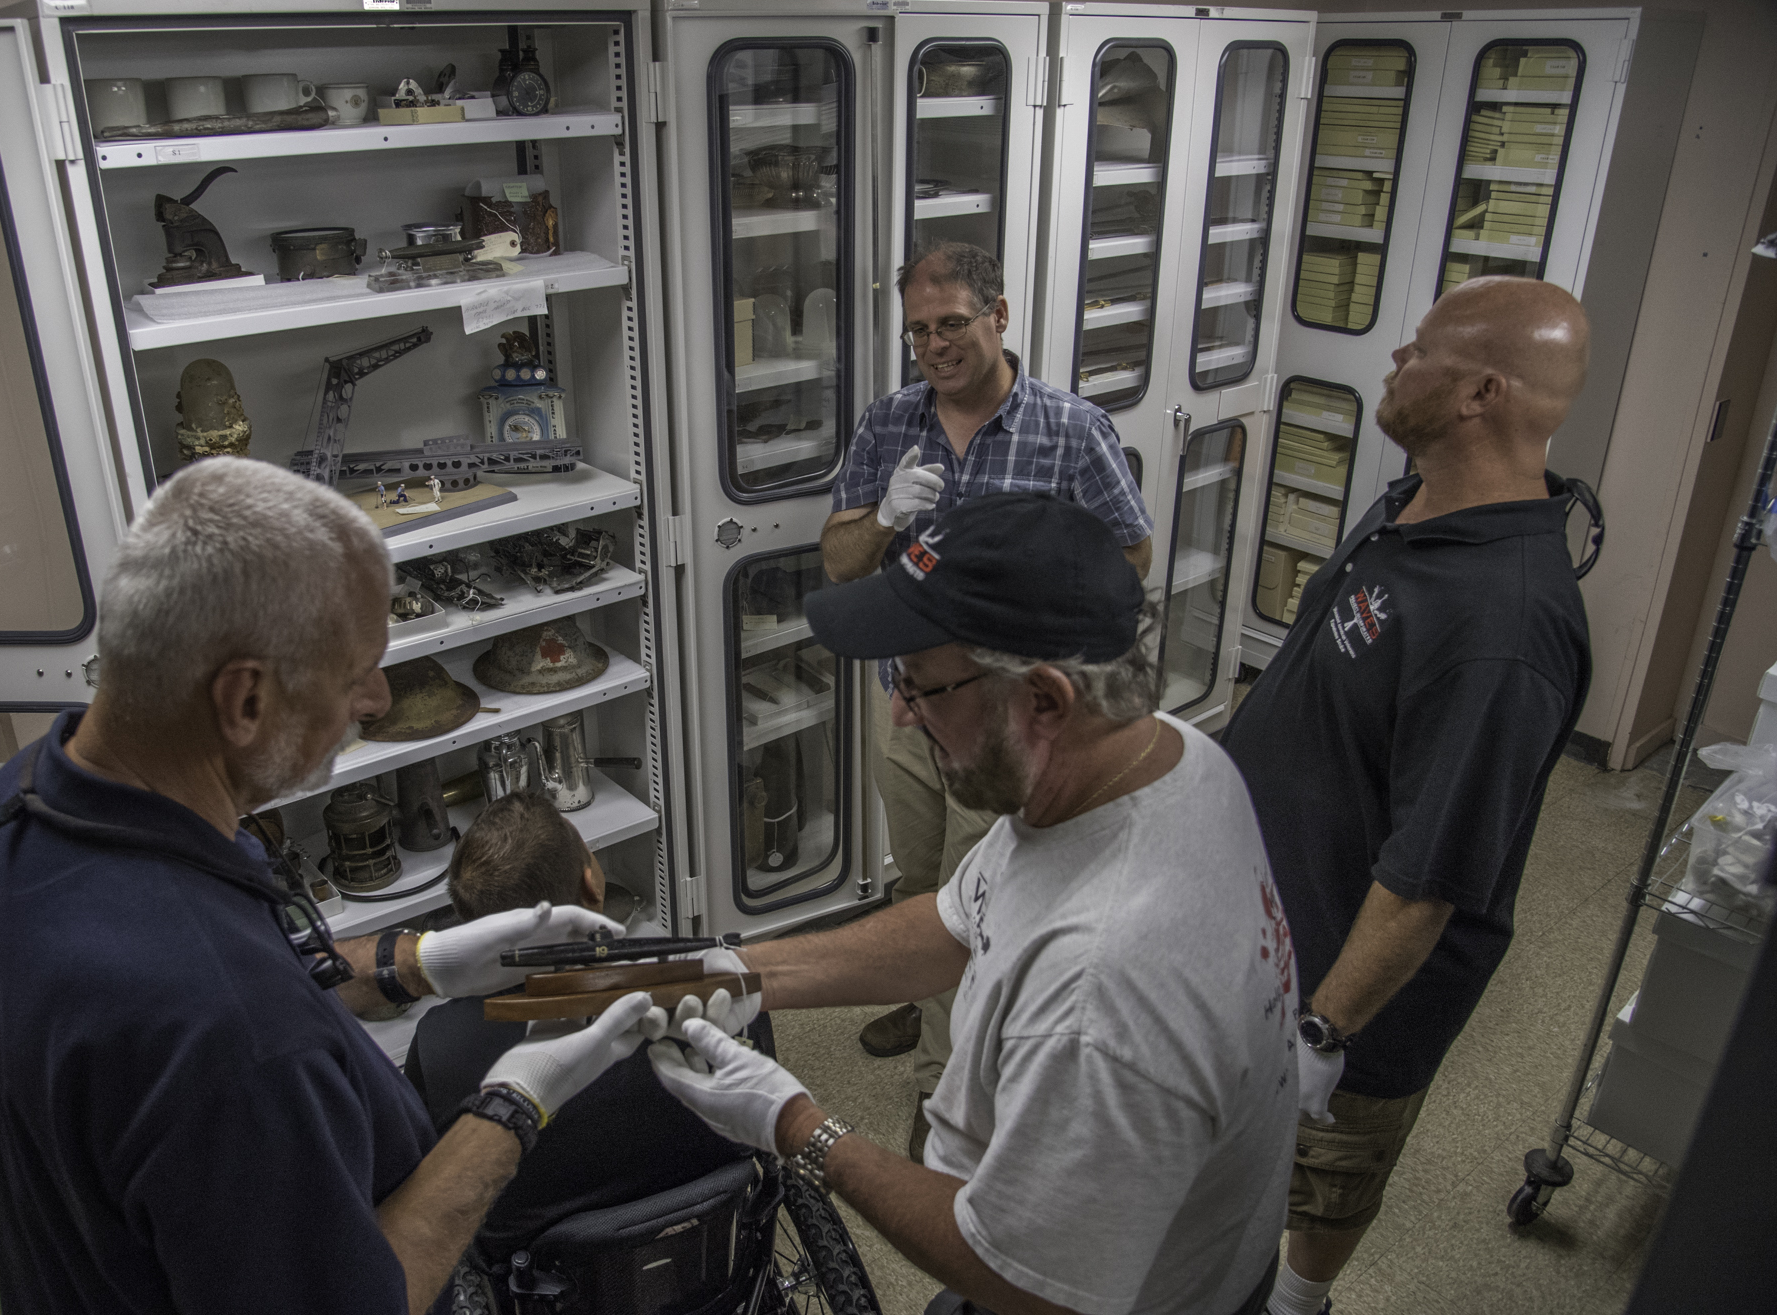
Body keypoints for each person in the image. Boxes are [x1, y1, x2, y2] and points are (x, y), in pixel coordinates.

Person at [0, 457, 653, 1315]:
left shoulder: (29, 797)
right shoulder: (233, 1039)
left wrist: (415, 961)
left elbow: (234, 966)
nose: (377, 699)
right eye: (356, 670)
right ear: (245, 699)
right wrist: (517, 1102)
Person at [650, 492, 1296, 1315]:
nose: (899, 711)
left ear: (1045, 699)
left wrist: (796, 1125)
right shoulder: (1162, 758)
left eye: (921, 685)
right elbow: (958, 921)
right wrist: (742, 970)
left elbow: (1025, 1279)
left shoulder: (1104, 985)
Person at [1220, 277, 1594, 1315]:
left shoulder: (1505, 625)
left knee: (1325, 1170)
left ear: (1479, 392)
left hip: (1350, 990)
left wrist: (1322, 1033)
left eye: (1420, 349)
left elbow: (1427, 878)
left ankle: (1300, 1301)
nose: (1395, 360)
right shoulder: (1411, 507)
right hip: (1267, 927)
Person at [820, 240, 1153, 1154]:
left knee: (979, 898)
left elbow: (1129, 556)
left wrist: (1037, 639)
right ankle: (928, 995)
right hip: (907, 706)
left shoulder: (1070, 428)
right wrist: (886, 515)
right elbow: (839, 562)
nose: (934, 345)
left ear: (999, 316)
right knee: (919, 877)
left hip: (1000, 725)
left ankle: (944, 1082)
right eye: (918, 331)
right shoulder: (890, 423)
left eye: (953, 324)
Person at [403, 790, 769, 1258]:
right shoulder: (718, 986)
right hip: (711, 1246)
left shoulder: (438, 1045)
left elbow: (427, 1182)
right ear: (592, 886)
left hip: (546, 1277)